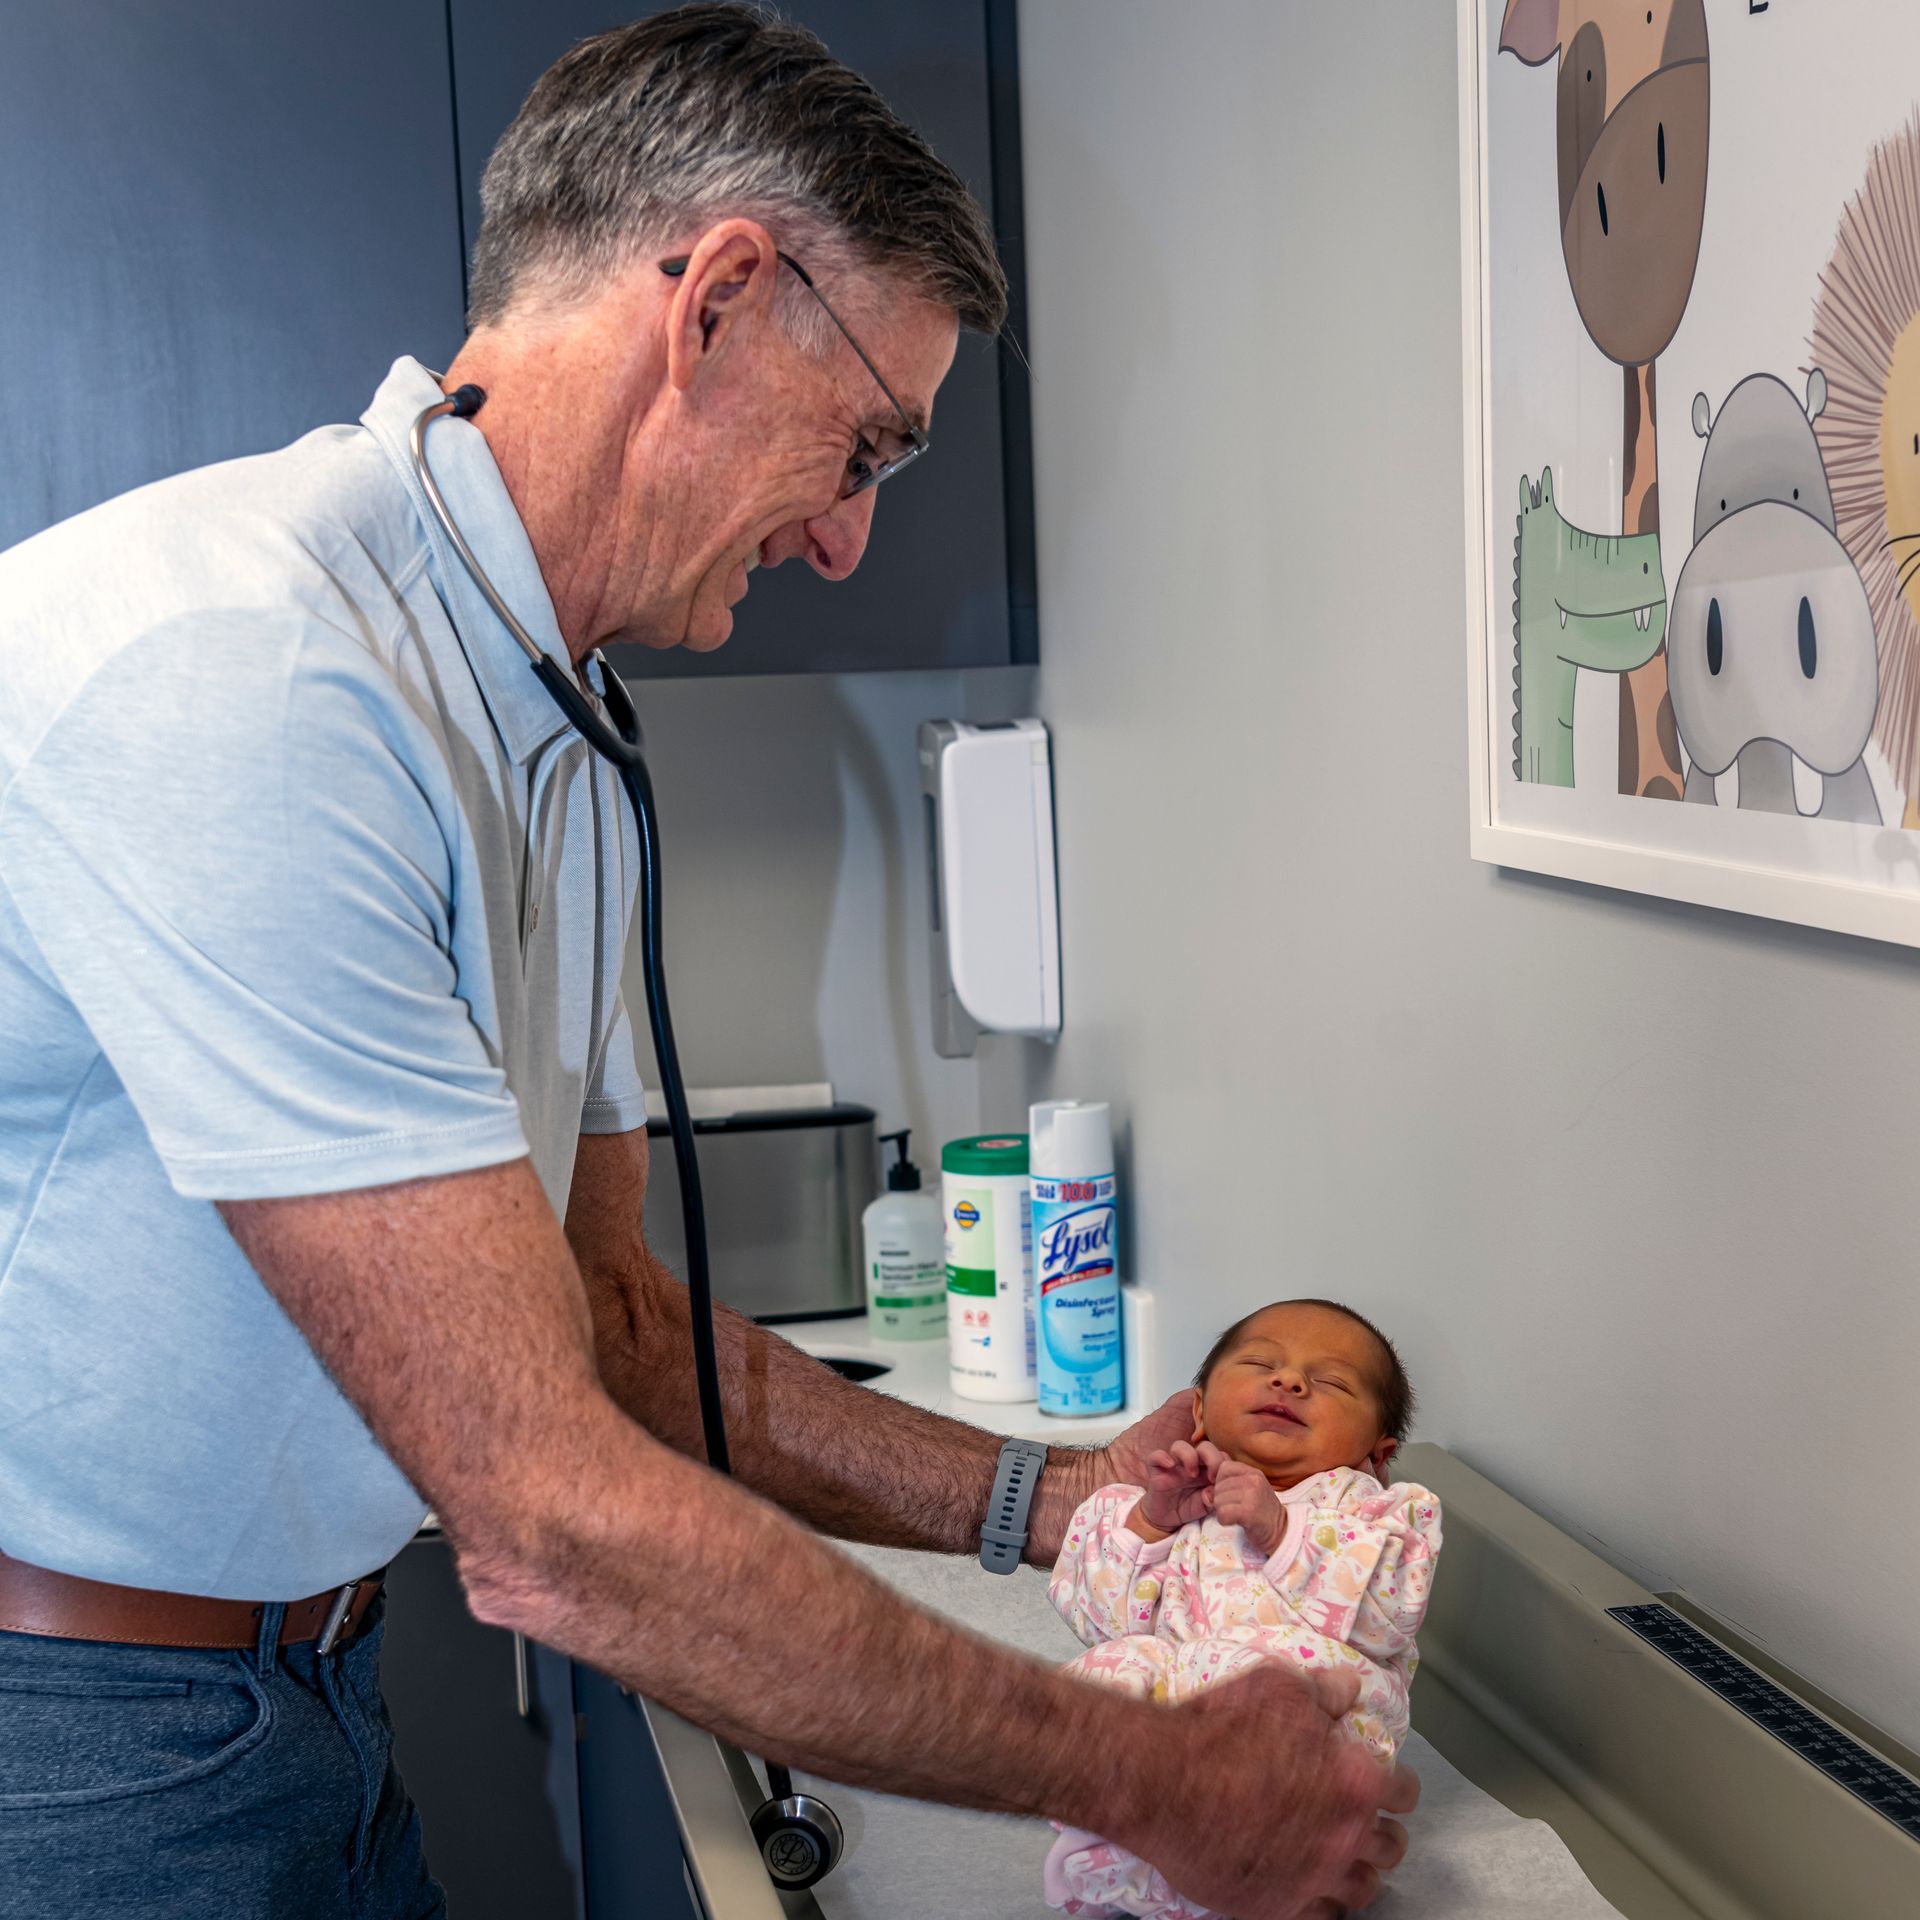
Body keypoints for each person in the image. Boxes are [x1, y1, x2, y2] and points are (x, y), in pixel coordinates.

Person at [0, 8, 1415, 1916]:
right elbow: (551, 1515)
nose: (848, 539)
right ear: (722, 303)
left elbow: (609, 1323)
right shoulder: (245, 675)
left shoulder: (554, 732)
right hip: (73, 1746)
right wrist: (1152, 1775)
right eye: (867, 444)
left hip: (304, 1700)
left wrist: (1052, 1499)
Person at [1044, 1300, 1443, 1918]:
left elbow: (1387, 1610)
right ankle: (1121, 1855)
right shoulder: (1166, 1496)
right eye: (1260, 1363)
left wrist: (1280, 1527)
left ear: (1377, 1450)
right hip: (1166, 1748)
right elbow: (1095, 1616)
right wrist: (1151, 1522)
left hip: (1301, 1739)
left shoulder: (1378, 1514)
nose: (1289, 1381)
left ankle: (1265, 1875)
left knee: (1268, 1669)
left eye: (1332, 1381)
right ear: (1199, 1411)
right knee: (1109, 1668)